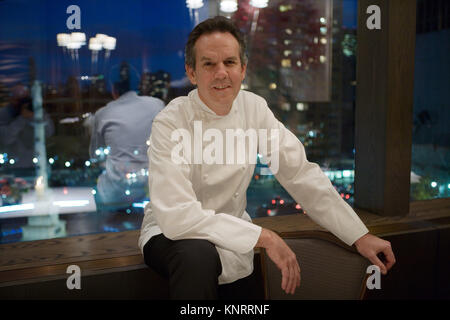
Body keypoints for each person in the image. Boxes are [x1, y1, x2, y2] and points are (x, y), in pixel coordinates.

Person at [139, 16, 396, 300]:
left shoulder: (254, 108)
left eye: (229, 62)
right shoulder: (170, 122)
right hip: (171, 234)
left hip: (233, 235)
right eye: (209, 64)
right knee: (197, 254)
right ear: (192, 72)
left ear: (243, 69)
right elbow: (177, 216)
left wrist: (359, 235)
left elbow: (299, 173)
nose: (221, 73)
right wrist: (265, 237)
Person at [89, 81, 164, 211]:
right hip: (153, 190)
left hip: (115, 194)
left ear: (113, 90)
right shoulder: (157, 105)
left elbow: (95, 155)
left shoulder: (103, 114)